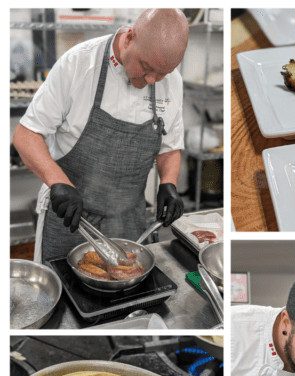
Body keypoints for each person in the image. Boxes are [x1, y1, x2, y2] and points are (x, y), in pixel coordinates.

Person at [12, 9, 187, 263]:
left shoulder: (172, 82)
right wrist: (57, 182)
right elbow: (26, 135)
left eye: (162, 74)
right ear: (129, 38)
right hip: (71, 219)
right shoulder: (78, 64)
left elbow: (169, 145)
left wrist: (168, 183)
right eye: (146, 67)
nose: (152, 80)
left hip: (130, 222)